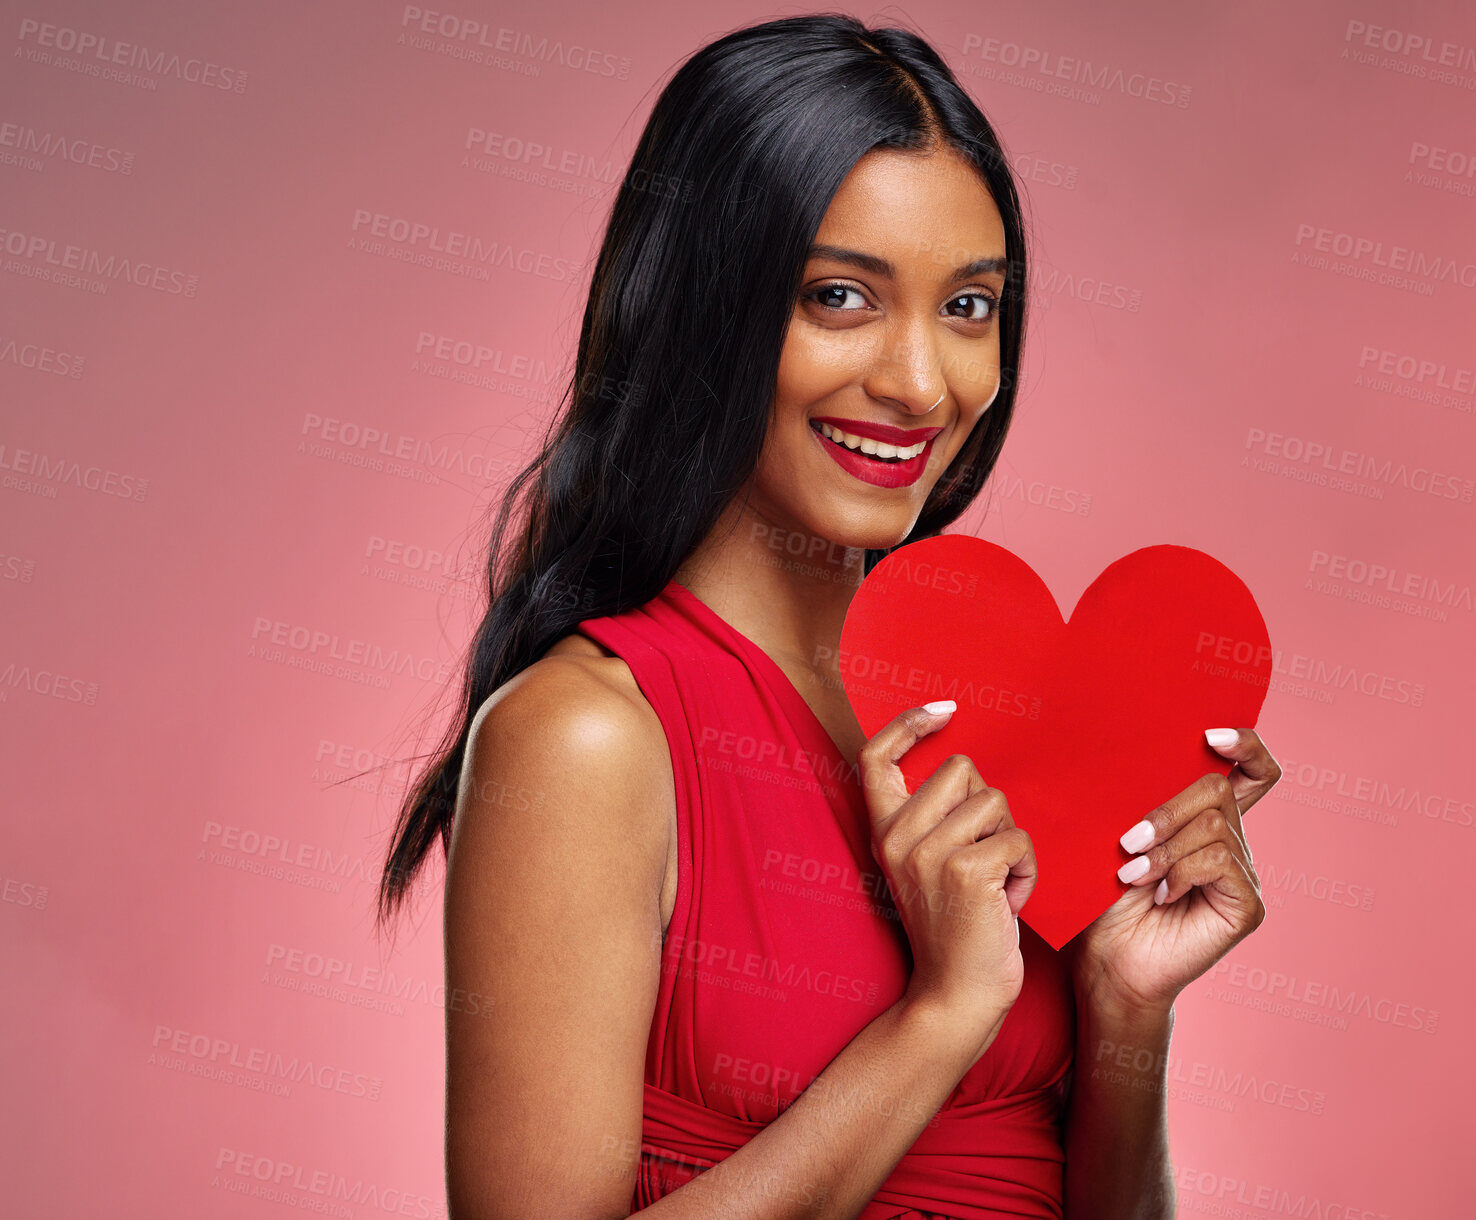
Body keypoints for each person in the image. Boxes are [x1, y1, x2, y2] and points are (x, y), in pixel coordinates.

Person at [375, 13, 1282, 1219]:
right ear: (702, 308)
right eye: (840, 296)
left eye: (970, 306)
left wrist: (1126, 1001)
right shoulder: (588, 738)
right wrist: (942, 1017)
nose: (921, 382)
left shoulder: (988, 714)